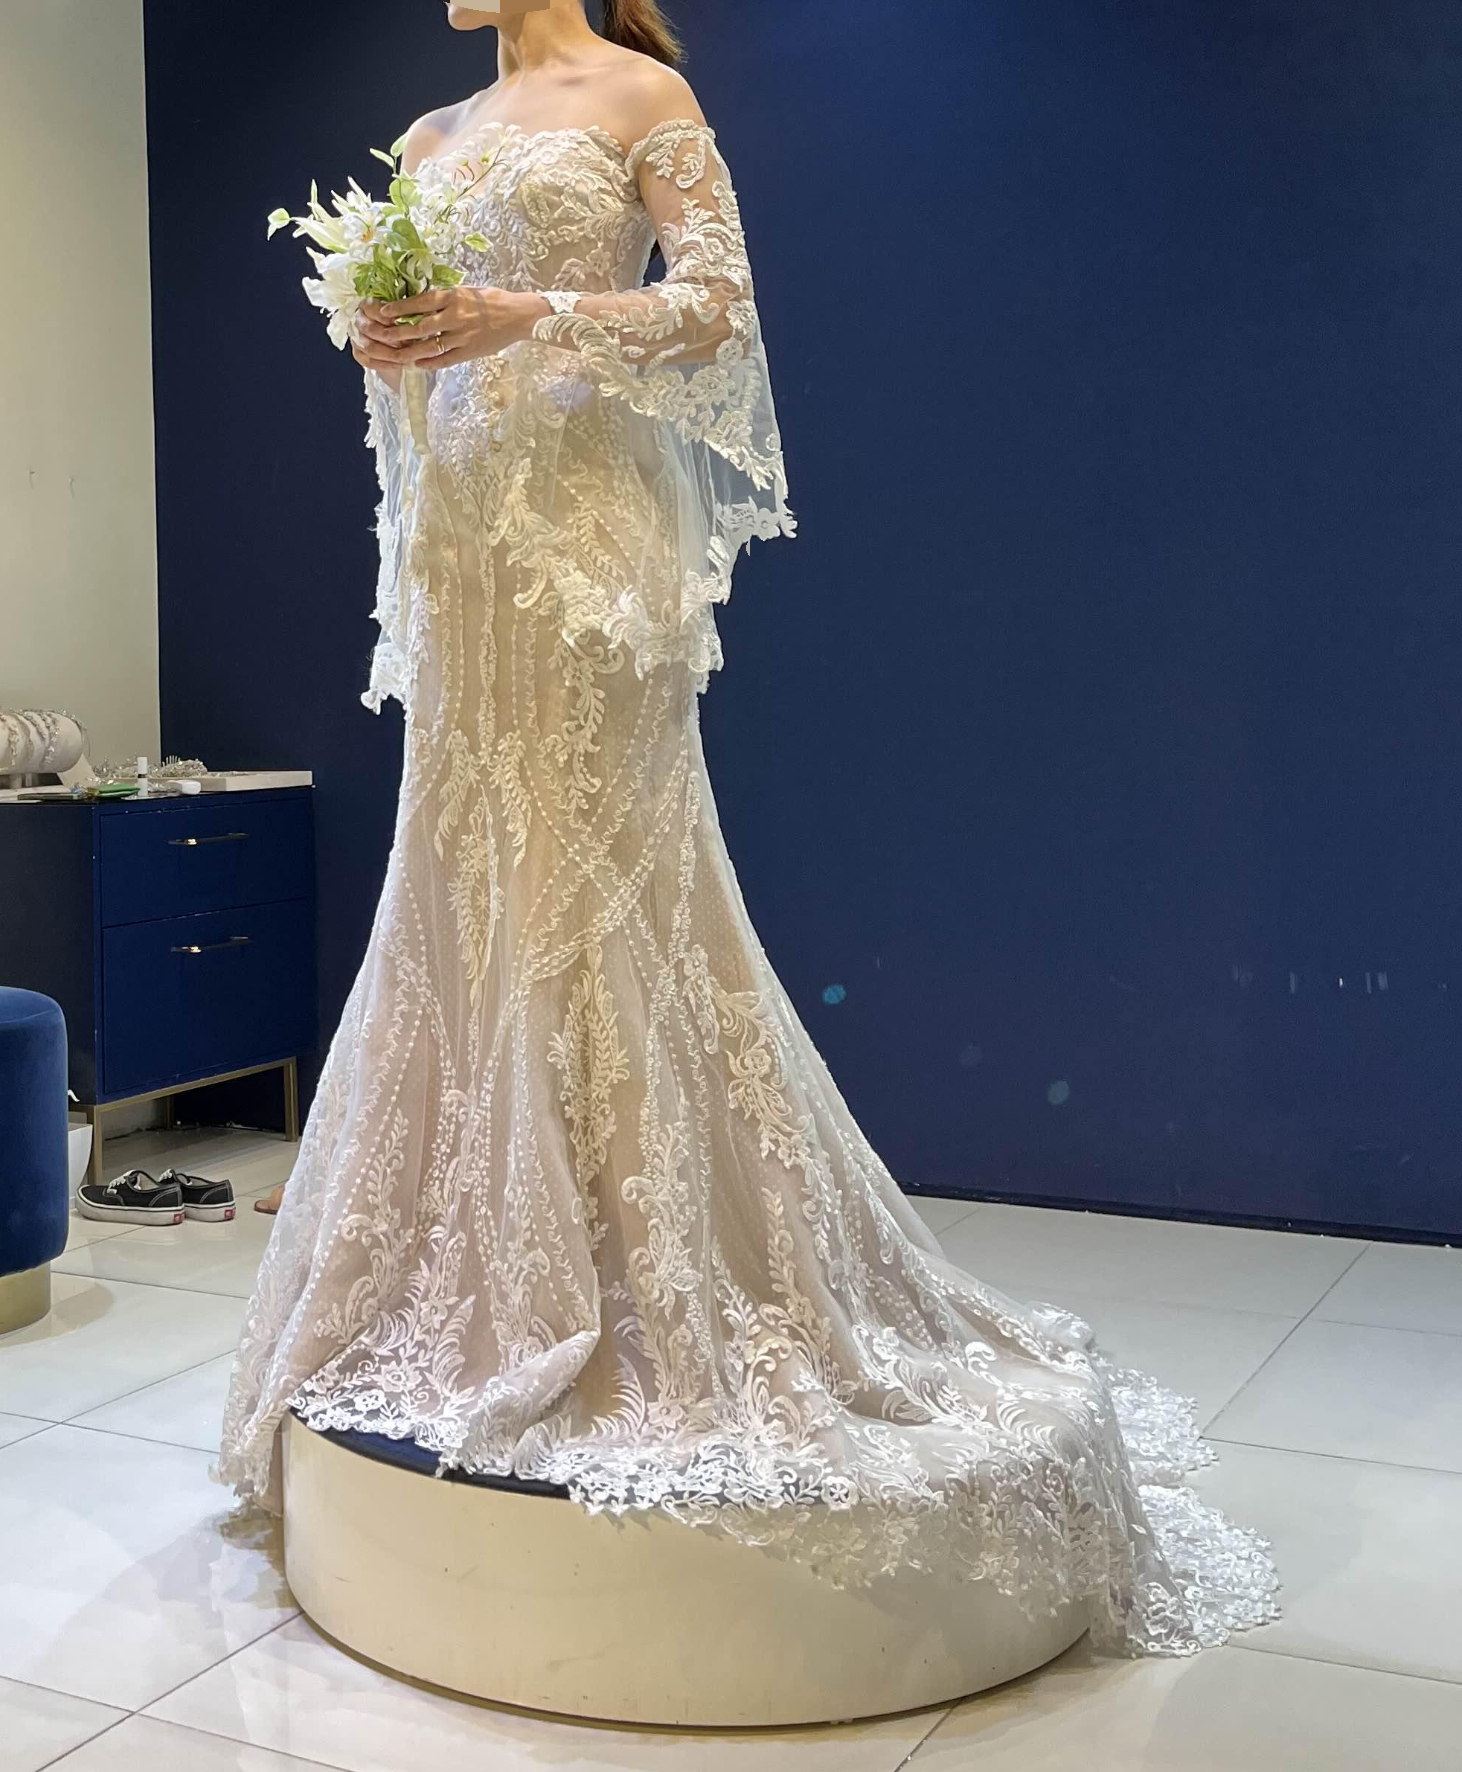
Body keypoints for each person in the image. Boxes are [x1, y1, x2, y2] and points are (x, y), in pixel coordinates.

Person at [220, 0, 1278, 1656]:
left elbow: (715, 309)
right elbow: (423, 360)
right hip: (468, 550)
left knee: (603, 874)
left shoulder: (639, 92)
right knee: (469, 880)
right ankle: (478, 1249)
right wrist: (396, 337)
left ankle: (651, 1263)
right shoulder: (427, 139)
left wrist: (523, 310)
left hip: (586, 547)